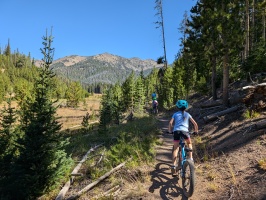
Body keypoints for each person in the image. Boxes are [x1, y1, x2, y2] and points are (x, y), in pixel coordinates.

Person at [168, 100, 198, 174]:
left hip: (176, 132)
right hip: (185, 132)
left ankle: (174, 166)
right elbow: (195, 124)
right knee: (189, 143)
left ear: (177, 107)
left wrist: (169, 130)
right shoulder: (188, 114)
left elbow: (170, 123)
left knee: (175, 149)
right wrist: (196, 131)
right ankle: (190, 158)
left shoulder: (175, 114)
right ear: (186, 107)